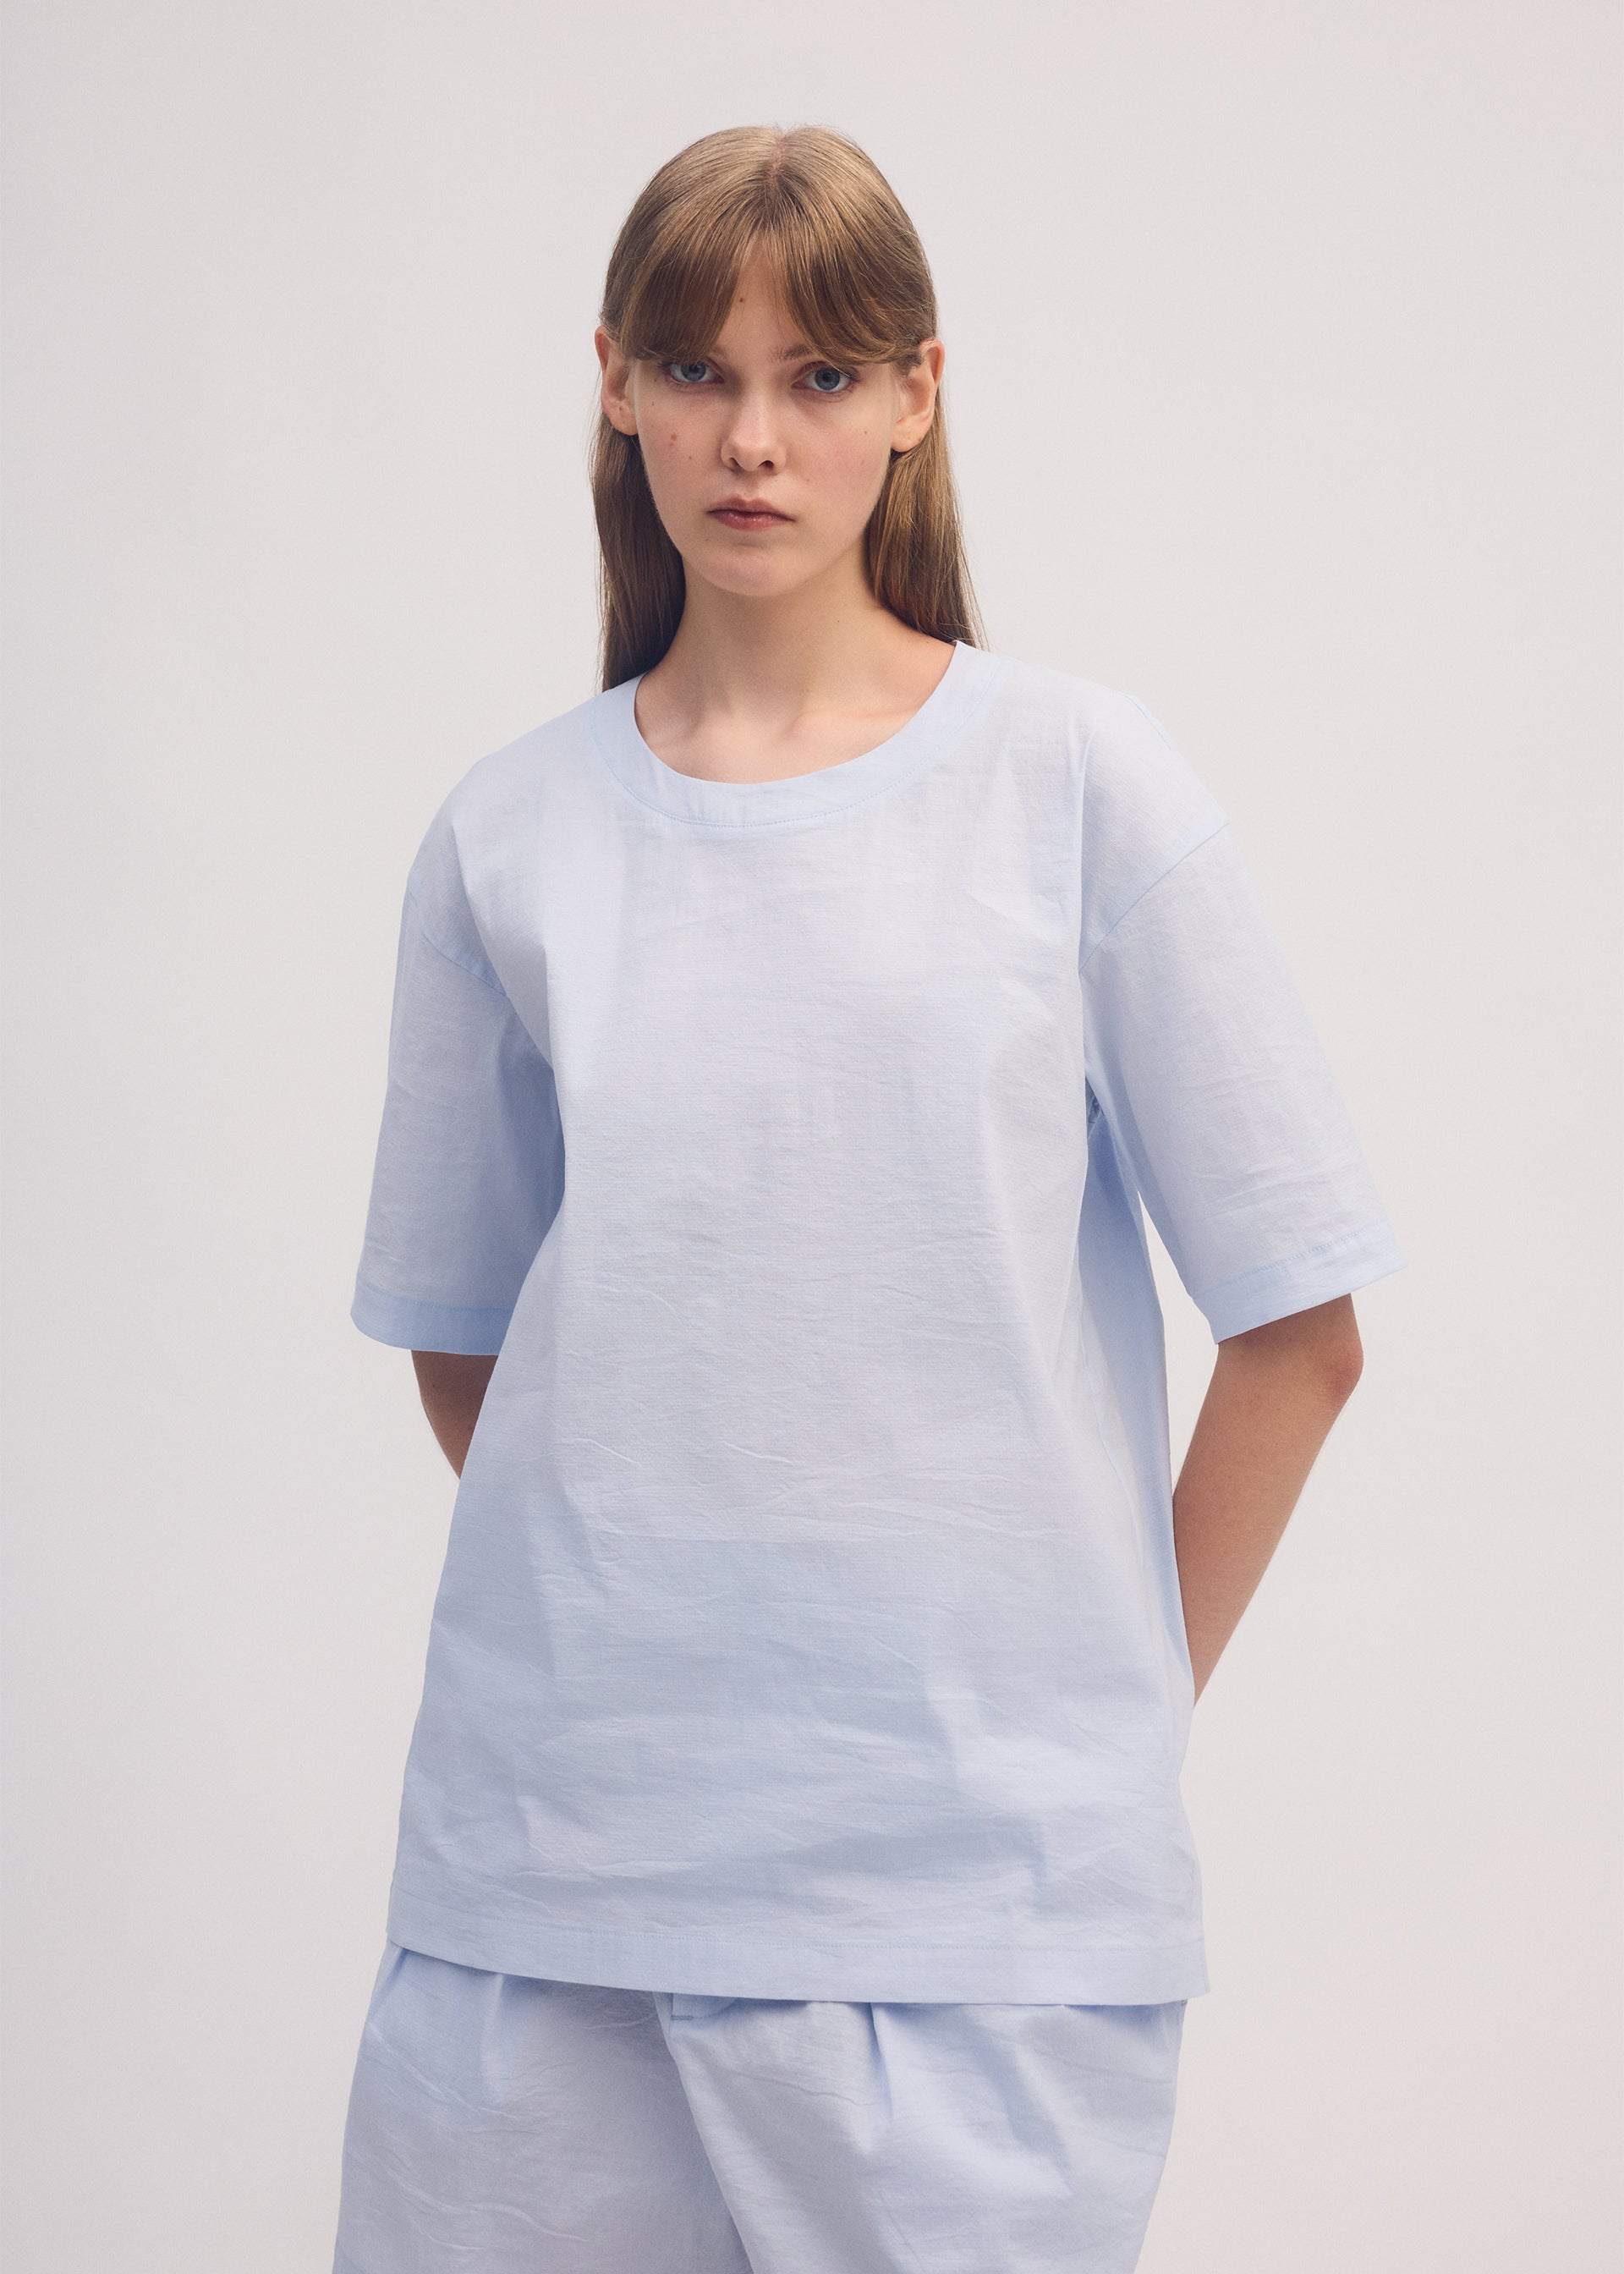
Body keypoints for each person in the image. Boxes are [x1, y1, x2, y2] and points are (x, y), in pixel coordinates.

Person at [330, 123, 1405, 2274]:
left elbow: (1301, 1332)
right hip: (544, 1883)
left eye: (819, 376)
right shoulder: (508, 838)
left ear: (917, 393)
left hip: (978, 1914)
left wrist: (1099, 1711)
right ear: (616, 383)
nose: (753, 439)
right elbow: (475, 1341)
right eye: (697, 371)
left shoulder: (1076, 786)